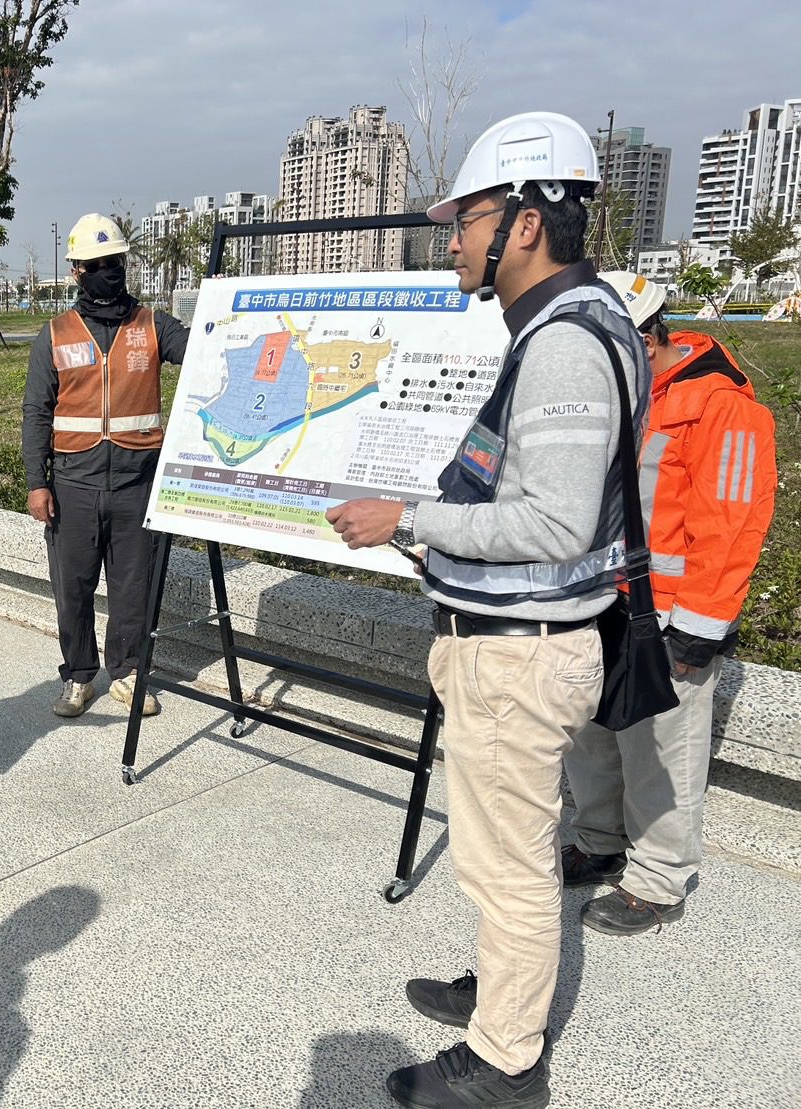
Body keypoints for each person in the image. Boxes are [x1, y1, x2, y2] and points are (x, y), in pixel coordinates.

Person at [326, 112, 648, 1108]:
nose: (454, 239)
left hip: (519, 655)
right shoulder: (572, 324)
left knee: (509, 867)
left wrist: (407, 516)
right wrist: (425, 531)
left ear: (527, 220)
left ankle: (504, 1059)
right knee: (504, 853)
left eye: (466, 219)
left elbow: (551, 522)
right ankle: (504, 993)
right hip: (516, 645)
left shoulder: (563, 343)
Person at [563, 272, 776, 935]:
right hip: (597, 596)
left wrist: (698, 630)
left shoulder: (720, 406)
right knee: (588, 730)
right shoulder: (615, 393)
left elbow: (733, 524)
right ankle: (597, 839)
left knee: (660, 747)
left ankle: (657, 879)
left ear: (645, 338)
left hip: (669, 616)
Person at [21, 213, 190, 718]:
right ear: (77, 270)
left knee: (132, 585)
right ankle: (78, 676)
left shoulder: (153, 325)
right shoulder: (54, 334)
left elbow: (202, 349)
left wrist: (220, 312)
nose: (107, 272)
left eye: (114, 262)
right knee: (71, 587)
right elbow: (36, 411)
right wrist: (37, 483)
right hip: (73, 483)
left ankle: (128, 670)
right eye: (95, 264)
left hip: (137, 482)